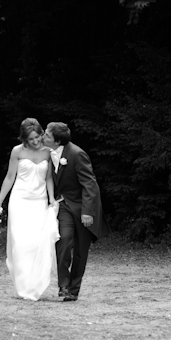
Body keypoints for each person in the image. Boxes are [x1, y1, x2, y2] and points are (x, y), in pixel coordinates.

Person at [0, 118, 60, 300]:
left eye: (38, 137)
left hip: (39, 201)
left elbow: (48, 179)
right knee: (20, 244)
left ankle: (35, 284)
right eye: (31, 139)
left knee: (36, 244)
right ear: (24, 139)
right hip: (19, 201)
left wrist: (51, 198)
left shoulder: (48, 152)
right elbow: (9, 178)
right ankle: (23, 287)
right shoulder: (17, 151)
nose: (36, 142)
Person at [43, 122, 110, 301]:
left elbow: (90, 184)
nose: (43, 137)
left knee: (81, 250)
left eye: (47, 135)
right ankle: (63, 285)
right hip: (64, 205)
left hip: (82, 208)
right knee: (63, 239)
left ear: (57, 141)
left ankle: (73, 290)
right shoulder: (50, 153)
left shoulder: (77, 154)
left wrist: (88, 212)